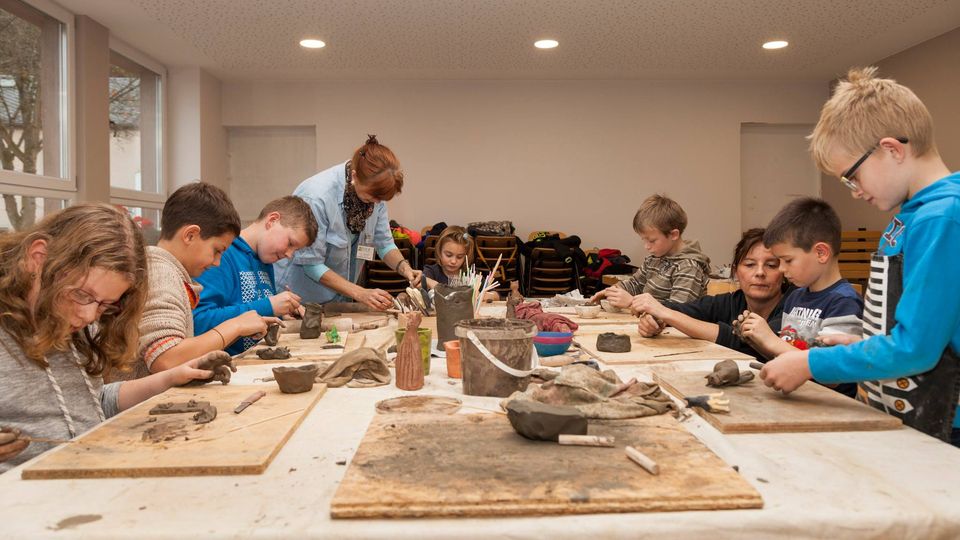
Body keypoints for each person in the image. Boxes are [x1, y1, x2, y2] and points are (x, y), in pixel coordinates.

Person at [759, 67, 960, 445]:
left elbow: (916, 349)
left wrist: (808, 362)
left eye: (852, 176)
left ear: (891, 150)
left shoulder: (942, 218)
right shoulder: (913, 217)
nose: (853, 191)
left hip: (948, 420)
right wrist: (863, 346)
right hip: (914, 406)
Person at [0, 204, 234, 473]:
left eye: (104, 305)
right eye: (81, 295)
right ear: (38, 259)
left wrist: (171, 378)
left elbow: (92, 402)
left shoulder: (78, 323)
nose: (89, 315)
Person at [138, 183, 279, 376]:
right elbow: (166, 360)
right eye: (216, 251)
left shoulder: (170, 272)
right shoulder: (161, 274)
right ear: (190, 235)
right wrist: (235, 325)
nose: (217, 262)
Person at [276, 135, 421, 310]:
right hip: (300, 299)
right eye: (373, 197)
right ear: (354, 176)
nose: (376, 203)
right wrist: (360, 293)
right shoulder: (316, 198)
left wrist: (405, 269)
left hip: (340, 298)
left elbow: (384, 244)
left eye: (380, 199)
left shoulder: (375, 198)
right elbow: (311, 264)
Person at [739, 197, 862, 397]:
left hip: (830, 407)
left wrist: (770, 339)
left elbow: (832, 376)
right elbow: (787, 352)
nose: (781, 269)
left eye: (787, 260)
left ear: (821, 253)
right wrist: (757, 341)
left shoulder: (843, 302)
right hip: (798, 397)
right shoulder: (795, 297)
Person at [629, 228, 790, 361]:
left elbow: (745, 342)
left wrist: (665, 313)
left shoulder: (796, 305)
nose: (760, 273)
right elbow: (682, 309)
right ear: (735, 271)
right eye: (749, 264)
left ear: (784, 271)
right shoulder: (733, 301)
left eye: (771, 265)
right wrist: (655, 319)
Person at [193, 196, 319, 355]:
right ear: (272, 220)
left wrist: (279, 312)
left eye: (295, 250)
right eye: (290, 243)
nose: (289, 254)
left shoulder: (266, 260)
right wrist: (268, 306)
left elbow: (250, 308)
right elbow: (198, 322)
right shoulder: (220, 256)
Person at [591, 194, 710, 310]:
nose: (646, 246)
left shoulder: (688, 267)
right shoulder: (653, 259)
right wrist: (612, 291)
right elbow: (635, 284)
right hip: (649, 322)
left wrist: (631, 302)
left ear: (673, 234)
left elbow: (678, 312)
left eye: (652, 240)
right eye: (644, 240)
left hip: (674, 328)